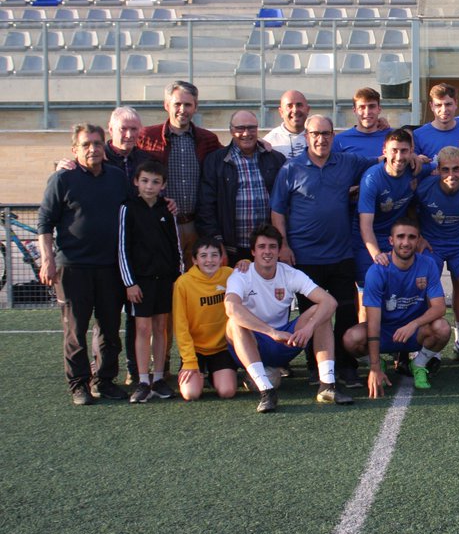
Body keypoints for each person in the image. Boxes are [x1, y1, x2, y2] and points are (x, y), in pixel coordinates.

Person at [270, 114, 377, 387]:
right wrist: (284, 245)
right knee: (312, 314)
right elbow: (277, 211)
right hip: (305, 257)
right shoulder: (290, 168)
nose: (321, 139)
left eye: (326, 133)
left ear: (333, 135)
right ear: (307, 137)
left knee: (346, 313)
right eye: (315, 134)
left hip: (341, 254)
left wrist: (417, 159)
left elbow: (381, 162)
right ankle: (315, 366)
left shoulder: (347, 162)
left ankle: (346, 365)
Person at [38, 124, 132, 405]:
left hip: (110, 267)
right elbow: (45, 222)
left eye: (98, 143)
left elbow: (134, 209)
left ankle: (104, 380)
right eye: (86, 144)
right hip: (73, 267)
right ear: (75, 149)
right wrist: (47, 260)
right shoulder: (62, 179)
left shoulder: (117, 178)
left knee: (109, 328)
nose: (93, 149)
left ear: (105, 147)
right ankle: (79, 384)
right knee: (75, 330)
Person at [224, 224, 351, 412]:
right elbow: (231, 307)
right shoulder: (241, 275)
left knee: (320, 311)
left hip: (284, 341)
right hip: (254, 341)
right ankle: (267, 392)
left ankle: (327, 385)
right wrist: (271, 332)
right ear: (253, 251)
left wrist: (309, 328)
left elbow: (329, 302)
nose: (267, 252)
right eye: (262, 247)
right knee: (234, 322)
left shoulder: (290, 273)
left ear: (279, 250)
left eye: (272, 247)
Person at [344, 220, 451, 396]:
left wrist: (413, 324)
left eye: (411, 237)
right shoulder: (377, 271)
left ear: (418, 241)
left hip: (414, 333)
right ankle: (379, 364)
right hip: (385, 333)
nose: (406, 242)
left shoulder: (428, 264)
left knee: (443, 327)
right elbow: (373, 323)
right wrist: (374, 366)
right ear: (391, 240)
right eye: (400, 237)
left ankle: (418, 364)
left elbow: (439, 308)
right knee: (351, 338)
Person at [414, 146, 459, 374]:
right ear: (437, 169)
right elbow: (409, 211)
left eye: (456, 169)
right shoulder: (424, 188)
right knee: (426, 297)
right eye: (445, 169)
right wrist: (419, 236)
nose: (451, 175)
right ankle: (432, 353)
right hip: (432, 247)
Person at [118, 160, 184, 403]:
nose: (149, 186)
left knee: (161, 327)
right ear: (136, 181)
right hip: (140, 281)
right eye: (145, 181)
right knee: (143, 328)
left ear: (163, 185)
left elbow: (176, 245)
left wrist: (178, 278)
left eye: (155, 182)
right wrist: (130, 282)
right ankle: (143, 380)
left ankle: (158, 378)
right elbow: (122, 248)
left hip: (165, 279)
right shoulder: (127, 208)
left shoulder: (167, 209)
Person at [137, 80, 222, 263]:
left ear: (195, 107)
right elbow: (123, 155)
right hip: (161, 222)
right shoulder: (147, 137)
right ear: (166, 105)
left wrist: (259, 142)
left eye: (188, 105)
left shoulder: (208, 139)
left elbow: (230, 156)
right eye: (177, 104)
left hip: (195, 224)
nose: (182, 110)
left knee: (196, 276)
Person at [197, 110, 286, 265]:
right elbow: (206, 206)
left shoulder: (275, 159)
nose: (246, 133)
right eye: (240, 128)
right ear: (231, 130)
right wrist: (217, 242)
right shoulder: (215, 161)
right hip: (232, 249)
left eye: (251, 128)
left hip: (267, 248)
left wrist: (283, 243)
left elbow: (286, 203)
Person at [357, 129, 426, 285]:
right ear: (384, 151)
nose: (399, 157)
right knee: (370, 285)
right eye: (394, 150)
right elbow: (365, 226)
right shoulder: (372, 179)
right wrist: (377, 254)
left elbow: (444, 167)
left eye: (404, 151)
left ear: (411, 151)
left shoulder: (416, 169)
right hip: (369, 237)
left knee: (398, 286)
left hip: (397, 236)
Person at [173, 236, 238, 401]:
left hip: (222, 347)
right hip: (196, 350)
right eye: (203, 256)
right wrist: (189, 360)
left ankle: (215, 376)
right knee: (191, 394)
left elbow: (250, 272)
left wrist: (244, 262)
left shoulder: (230, 275)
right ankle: (201, 374)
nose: (209, 260)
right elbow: (180, 325)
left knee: (227, 392)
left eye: (214, 255)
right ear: (195, 260)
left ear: (221, 258)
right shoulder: (183, 283)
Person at [412, 83, 459, 168]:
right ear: (431, 106)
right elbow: (411, 167)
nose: (444, 110)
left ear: (456, 103)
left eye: (448, 104)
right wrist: (423, 164)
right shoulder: (418, 135)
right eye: (438, 105)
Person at [332, 87, 392, 157]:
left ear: (379, 109)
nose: (367, 112)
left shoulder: (392, 137)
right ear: (354, 110)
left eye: (372, 106)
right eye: (362, 107)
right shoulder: (339, 140)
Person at [262, 90, 310, 158]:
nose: (295, 110)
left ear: (307, 110)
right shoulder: (270, 142)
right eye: (289, 106)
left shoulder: (319, 137)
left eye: (299, 105)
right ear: (281, 112)